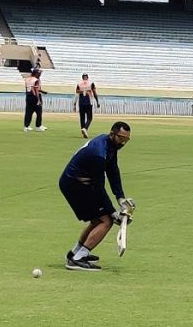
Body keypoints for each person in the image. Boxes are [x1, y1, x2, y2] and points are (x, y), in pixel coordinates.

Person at [58, 121, 134, 272]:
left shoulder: (110, 146)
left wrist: (121, 198)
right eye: (121, 138)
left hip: (81, 183)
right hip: (75, 185)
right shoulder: (98, 153)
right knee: (107, 220)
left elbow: (113, 171)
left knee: (98, 219)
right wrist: (113, 212)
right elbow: (99, 187)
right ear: (112, 134)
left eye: (126, 139)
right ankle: (78, 259)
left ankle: (75, 253)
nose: (123, 142)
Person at [73, 74, 100, 138]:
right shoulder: (91, 83)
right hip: (88, 102)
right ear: (87, 78)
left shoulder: (79, 84)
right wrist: (97, 102)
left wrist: (74, 104)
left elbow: (76, 93)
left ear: (82, 78)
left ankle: (83, 130)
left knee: (82, 117)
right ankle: (85, 129)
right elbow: (94, 93)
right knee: (89, 117)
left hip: (81, 102)